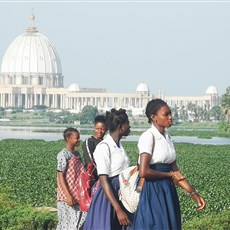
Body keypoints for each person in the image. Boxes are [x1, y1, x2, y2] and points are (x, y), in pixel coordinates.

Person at [132, 99, 206, 230]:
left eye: (170, 113)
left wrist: (193, 193)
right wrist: (168, 175)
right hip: (154, 191)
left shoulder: (168, 138)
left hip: (167, 190)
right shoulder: (148, 137)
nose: (170, 117)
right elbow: (144, 172)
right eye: (166, 114)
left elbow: (176, 172)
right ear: (154, 117)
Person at [84, 108, 133, 230]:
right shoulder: (104, 147)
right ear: (121, 127)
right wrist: (117, 208)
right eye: (128, 123)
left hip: (121, 193)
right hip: (108, 196)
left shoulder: (119, 146)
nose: (129, 126)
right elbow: (104, 179)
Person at [56, 127, 86, 230]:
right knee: (67, 225)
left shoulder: (77, 154)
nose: (78, 140)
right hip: (66, 197)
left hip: (78, 195)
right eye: (76, 138)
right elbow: (60, 176)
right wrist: (68, 195)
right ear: (68, 139)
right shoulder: (63, 155)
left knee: (79, 223)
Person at [82, 115, 107, 181]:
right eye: (97, 129)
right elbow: (89, 161)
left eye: (102, 129)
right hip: (93, 177)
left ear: (106, 129)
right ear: (94, 128)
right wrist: (101, 175)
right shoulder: (89, 141)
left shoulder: (106, 143)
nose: (99, 131)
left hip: (105, 175)